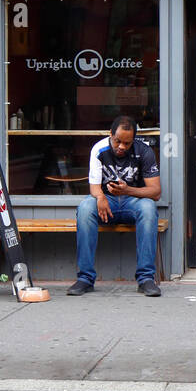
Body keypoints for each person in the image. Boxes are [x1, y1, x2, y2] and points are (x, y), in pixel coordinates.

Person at [67, 115, 163, 298]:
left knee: (149, 209)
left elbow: (156, 192)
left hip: (131, 202)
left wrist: (128, 190)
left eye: (127, 143)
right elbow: (94, 187)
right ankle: (85, 278)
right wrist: (101, 197)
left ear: (133, 140)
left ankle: (146, 279)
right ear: (110, 134)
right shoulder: (99, 149)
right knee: (86, 209)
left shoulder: (144, 151)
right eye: (118, 141)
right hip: (106, 202)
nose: (121, 147)